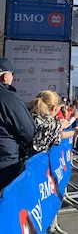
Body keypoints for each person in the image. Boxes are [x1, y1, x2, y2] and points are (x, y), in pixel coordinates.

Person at [0, 58, 36, 189]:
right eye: (12, 74)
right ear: (5, 76)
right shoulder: (8, 97)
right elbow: (28, 130)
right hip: (5, 163)